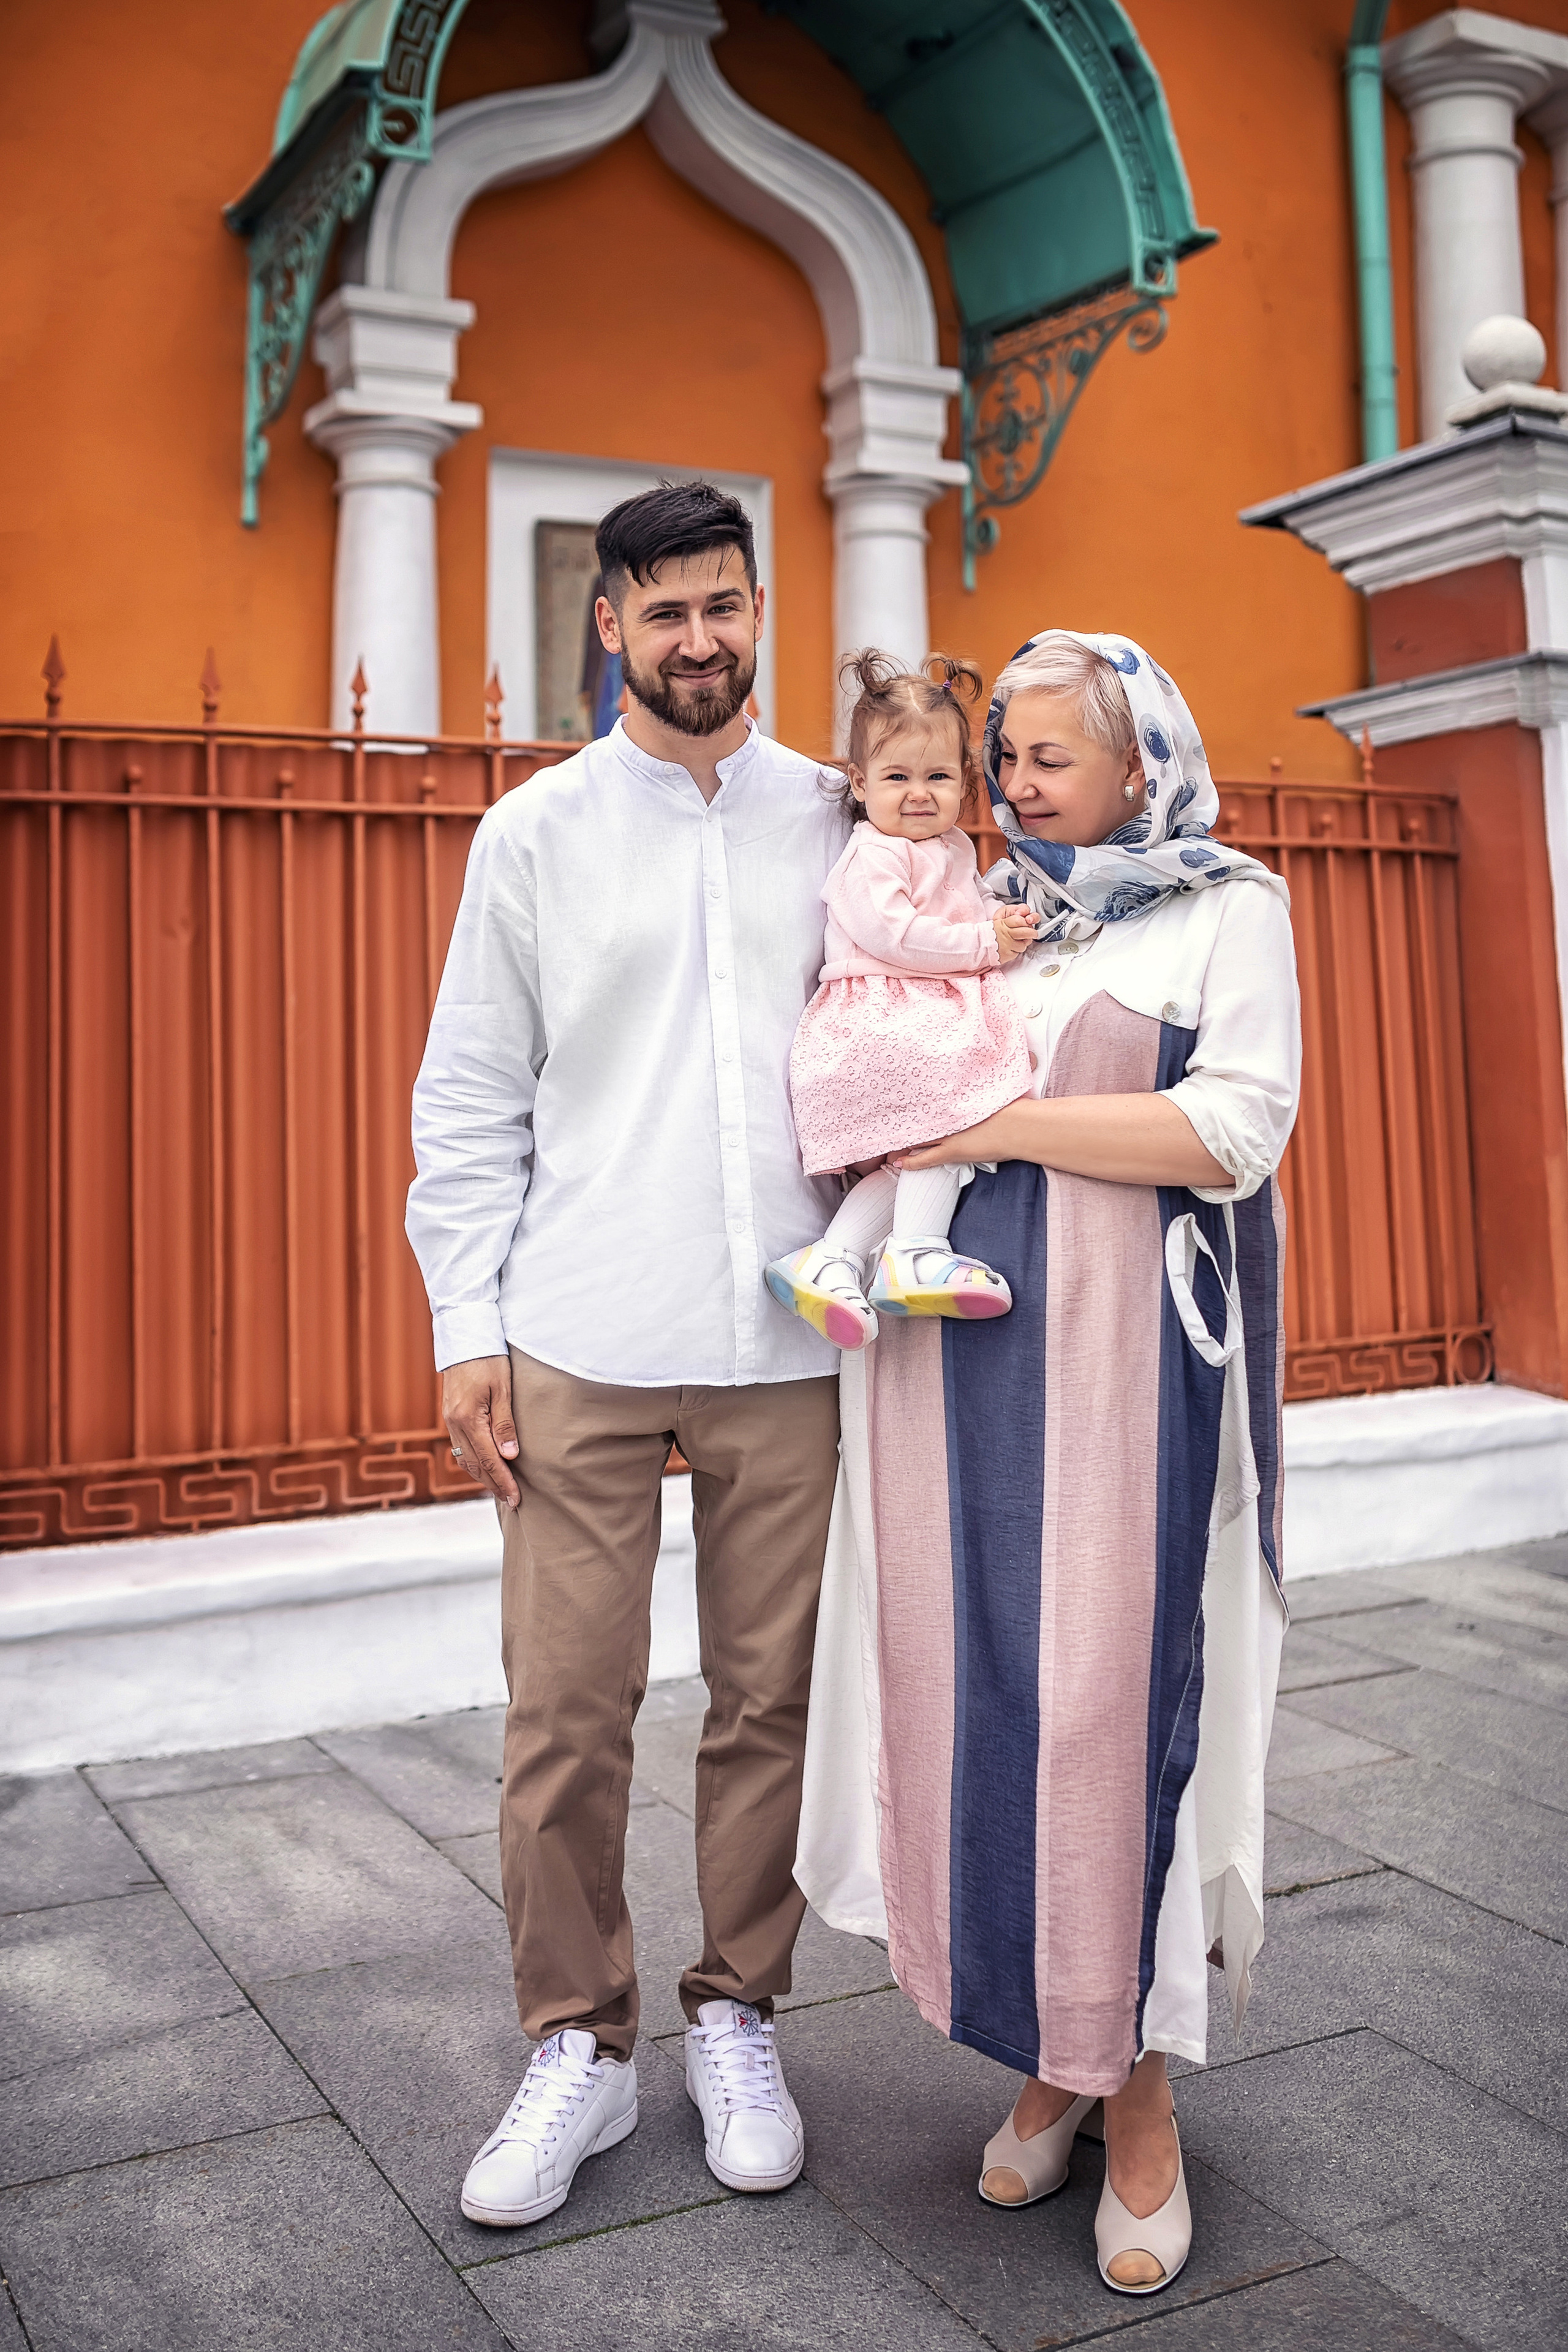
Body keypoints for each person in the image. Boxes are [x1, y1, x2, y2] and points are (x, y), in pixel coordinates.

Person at [796, 630, 1301, 2298]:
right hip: (955, 1368)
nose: (1013, 786)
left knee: (1106, 1707)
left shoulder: (1232, 909)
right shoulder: (989, 916)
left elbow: (1233, 1131)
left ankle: (1136, 2091)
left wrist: (994, 1130)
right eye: (1001, 758)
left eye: (1045, 759)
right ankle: (1055, 2050)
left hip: (1124, 1368)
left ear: (1142, 763)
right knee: (986, 1709)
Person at [406, 480, 848, 2228]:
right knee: (563, 1718)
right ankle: (579, 2050)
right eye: (662, 612)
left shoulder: (842, 814)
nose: (698, 640)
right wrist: (464, 1329)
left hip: (792, 1336)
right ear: (609, 626)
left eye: (723, 606)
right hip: (579, 1326)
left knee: (772, 1706)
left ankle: (739, 2011)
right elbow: (469, 1097)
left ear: (760, 610)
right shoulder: (532, 835)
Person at [764, 651, 1037, 1349]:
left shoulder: (949, 848)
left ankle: (830, 1260)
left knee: (914, 1153)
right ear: (859, 783)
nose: (918, 793)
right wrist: (984, 944)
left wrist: (1000, 918)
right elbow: (896, 935)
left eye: (938, 776)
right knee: (950, 1126)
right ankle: (914, 1250)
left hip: (908, 1020)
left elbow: (967, 907)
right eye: (896, 777)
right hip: (882, 1021)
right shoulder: (872, 854)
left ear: (964, 784)